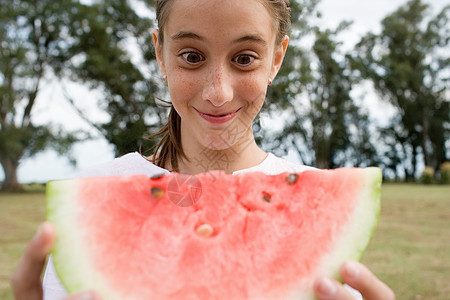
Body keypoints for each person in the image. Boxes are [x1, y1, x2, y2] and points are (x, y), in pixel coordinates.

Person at [11, 0, 396, 299]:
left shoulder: (316, 205)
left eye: (244, 59)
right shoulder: (95, 190)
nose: (218, 92)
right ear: (160, 53)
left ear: (276, 59)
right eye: (192, 56)